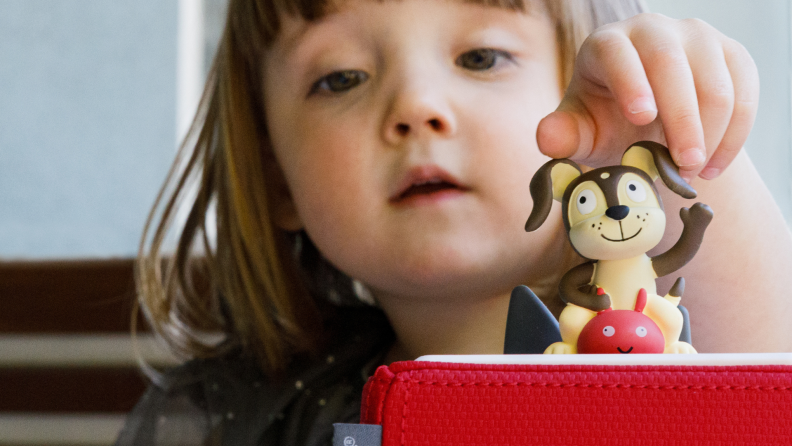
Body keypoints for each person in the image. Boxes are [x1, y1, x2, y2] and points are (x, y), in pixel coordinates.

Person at [116, 0, 792, 444]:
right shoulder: (228, 415)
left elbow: (766, 380)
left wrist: (672, 136)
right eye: (341, 78)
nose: (416, 105)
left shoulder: (647, 359)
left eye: (481, 58)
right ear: (274, 177)